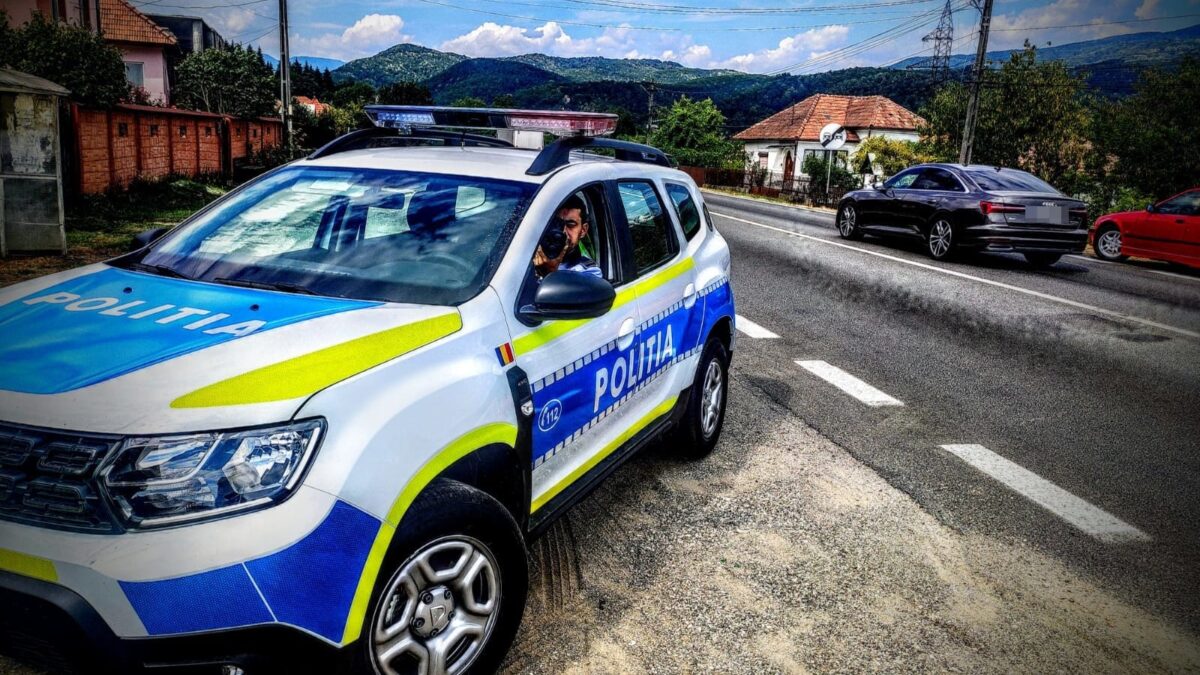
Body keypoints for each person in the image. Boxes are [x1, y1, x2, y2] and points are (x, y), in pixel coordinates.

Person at [533, 195, 602, 279]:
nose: (563, 232)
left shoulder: (588, 271)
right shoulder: (526, 255)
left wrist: (549, 273)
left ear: (583, 230)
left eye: (570, 225)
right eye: (557, 225)